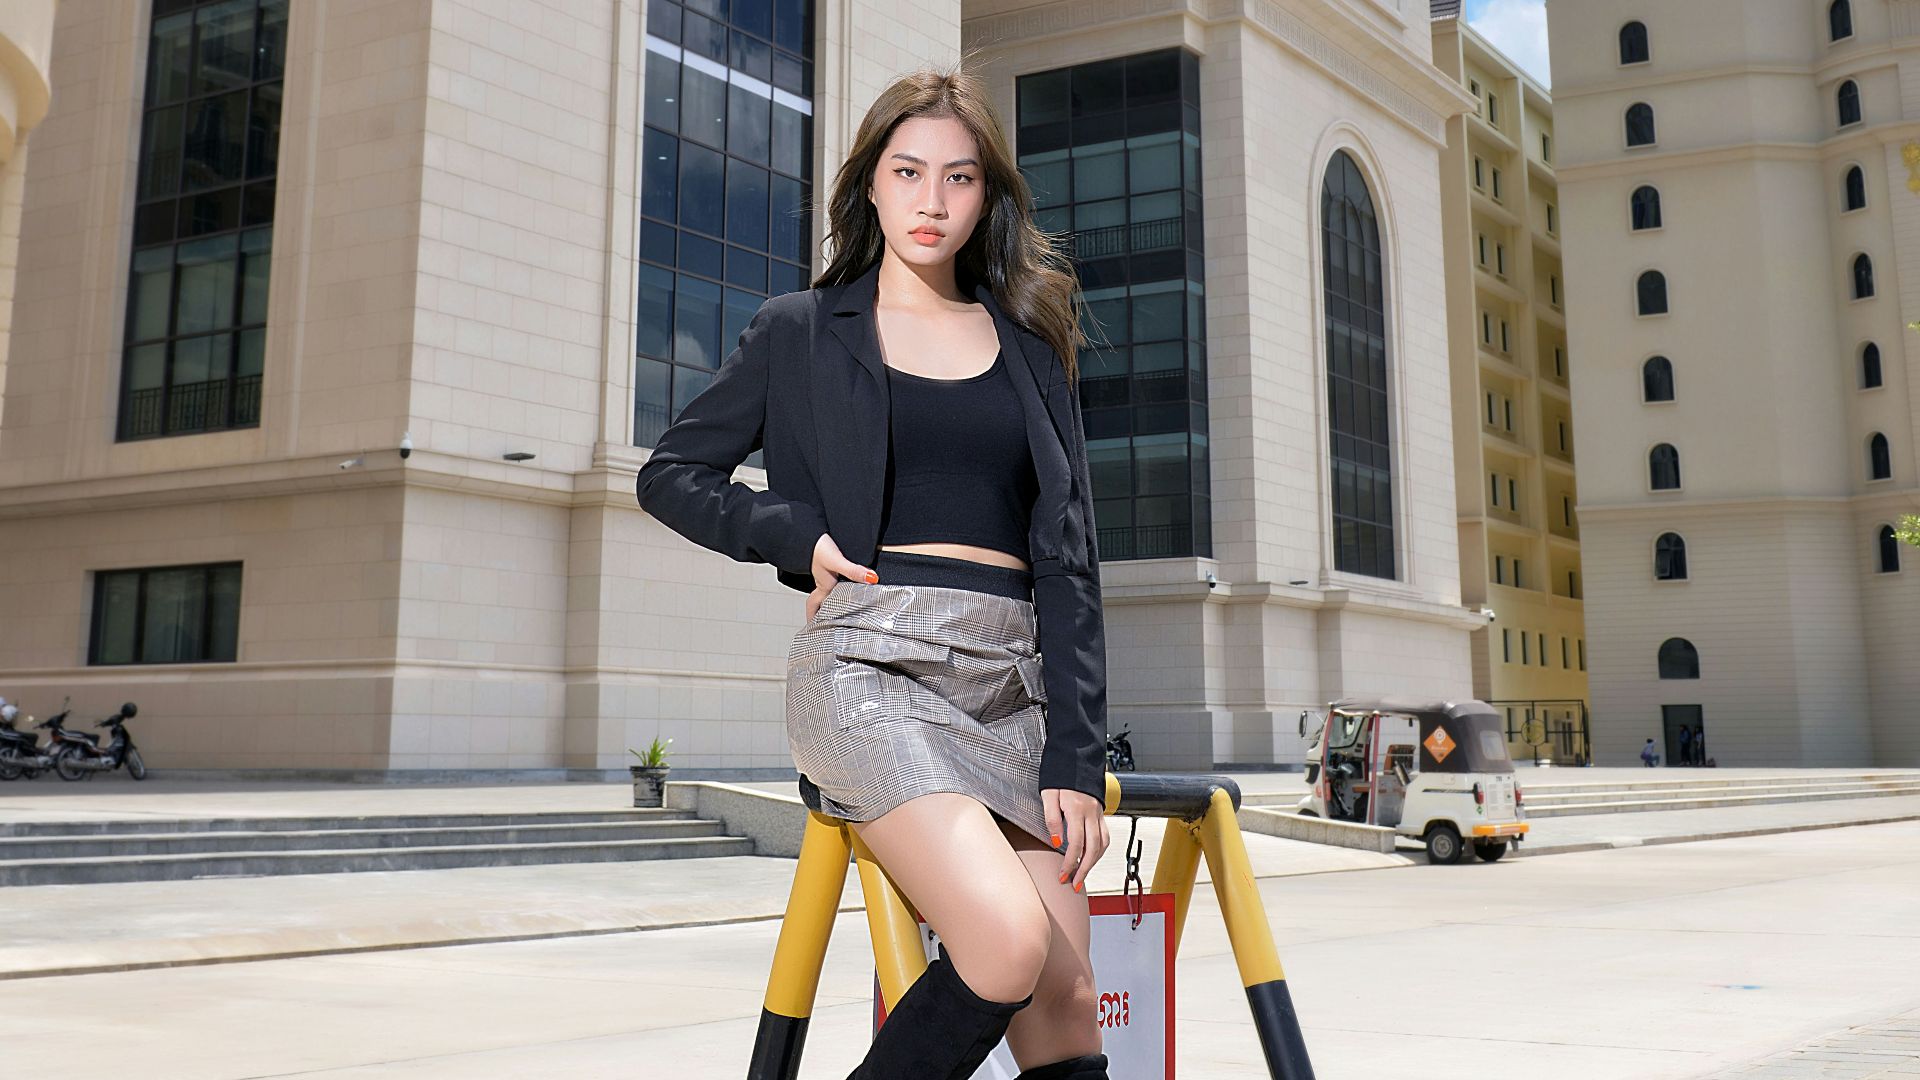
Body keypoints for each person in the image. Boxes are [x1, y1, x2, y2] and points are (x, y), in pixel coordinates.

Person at [635, 59, 1113, 1080]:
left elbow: (1069, 561)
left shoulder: (1035, 346)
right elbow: (671, 473)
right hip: (870, 670)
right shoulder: (800, 333)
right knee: (1006, 944)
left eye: (959, 177)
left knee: (1069, 1004)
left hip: (1014, 688)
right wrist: (790, 533)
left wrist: (1075, 758)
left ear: (988, 195)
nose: (931, 201)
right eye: (908, 173)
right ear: (870, 186)